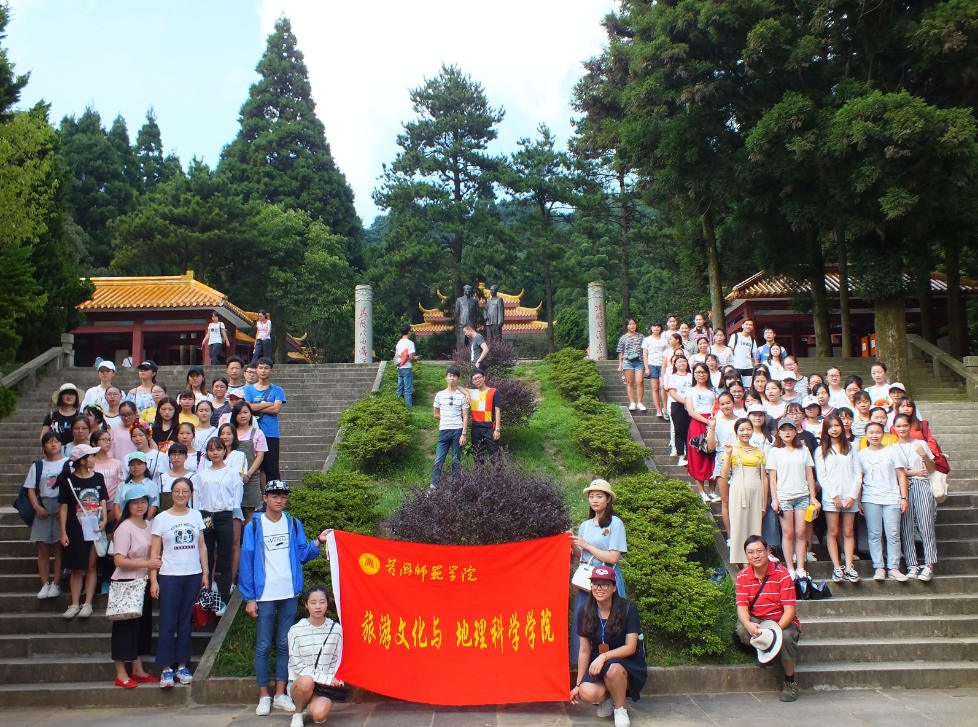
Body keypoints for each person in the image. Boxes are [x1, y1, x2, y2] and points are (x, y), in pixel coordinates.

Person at [240, 480, 329, 717]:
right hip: (264, 595)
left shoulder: (293, 523)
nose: (279, 500)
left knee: (284, 644)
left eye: (283, 496)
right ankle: (263, 696)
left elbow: (302, 554)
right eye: (274, 496)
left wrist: (318, 541)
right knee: (263, 645)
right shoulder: (254, 526)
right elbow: (246, 562)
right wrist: (249, 597)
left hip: (289, 592)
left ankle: (280, 694)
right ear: (265, 498)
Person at [570, 565, 646, 727]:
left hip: (626, 660)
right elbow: (584, 650)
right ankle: (609, 697)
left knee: (613, 669)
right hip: (599, 662)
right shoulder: (584, 611)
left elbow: (630, 647)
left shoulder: (628, 609)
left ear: (614, 588)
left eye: (605, 584)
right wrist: (578, 684)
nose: (599, 588)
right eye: (595, 583)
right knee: (586, 691)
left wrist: (604, 656)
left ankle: (620, 708)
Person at [151, 476, 208, 688]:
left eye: (185, 491)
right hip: (169, 576)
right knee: (167, 622)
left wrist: (205, 573)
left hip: (192, 575)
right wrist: (153, 580)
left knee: (185, 622)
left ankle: (182, 666)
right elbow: (154, 552)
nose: (181, 495)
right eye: (177, 491)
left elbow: (202, 546)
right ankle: (166, 668)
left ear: (191, 494)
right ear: (171, 493)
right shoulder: (161, 518)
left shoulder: (196, 515)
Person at [735, 535, 802, 702]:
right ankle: (766, 650)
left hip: (782, 621)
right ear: (746, 555)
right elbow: (742, 608)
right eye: (750, 552)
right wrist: (748, 624)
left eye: (759, 551)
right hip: (758, 620)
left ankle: (790, 681)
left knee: (786, 637)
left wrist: (774, 631)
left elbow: (789, 611)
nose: (755, 556)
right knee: (742, 630)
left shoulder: (783, 574)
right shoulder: (742, 577)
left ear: (767, 551)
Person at [570, 480, 628, 659]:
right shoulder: (585, 525)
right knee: (586, 621)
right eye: (592, 496)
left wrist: (587, 544)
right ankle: (585, 665)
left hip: (607, 578)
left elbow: (613, 557)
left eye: (599, 496)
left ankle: (612, 662)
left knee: (611, 619)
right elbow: (583, 557)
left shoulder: (615, 524)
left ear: (608, 499)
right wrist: (572, 544)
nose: (595, 500)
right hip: (588, 581)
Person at [110, 487, 161, 688]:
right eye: (135, 502)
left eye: (143, 501)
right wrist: (147, 564)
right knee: (124, 629)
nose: (140, 506)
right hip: (126, 583)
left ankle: (138, 670)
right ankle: (121, 673)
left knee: (141, 628)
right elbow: (119, 560)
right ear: (127, 506)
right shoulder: (124, 527)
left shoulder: (149, 525)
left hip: (144, 582)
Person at [57, 444, 107, 619]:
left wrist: (104, 520)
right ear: (83, 461)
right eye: (91, 456)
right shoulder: (68, 482)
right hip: (75, 528)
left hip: (95, 527)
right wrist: (63, 532)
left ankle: (88, 603)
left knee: (91, 566)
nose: (94, 459)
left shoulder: (98, 478)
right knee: (77, 568)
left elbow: (102, 501)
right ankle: (74, 603)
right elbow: (63, 509)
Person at [855, 422, 910, 581]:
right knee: (874, 534)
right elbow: (859, 478)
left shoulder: (892, 450)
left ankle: (894, 567)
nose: (874, 436)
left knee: (893, 533)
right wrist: (859, 500)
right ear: (866, 435)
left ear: (883, 434)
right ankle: (879, 567)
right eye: (871, 432)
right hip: (870, 497)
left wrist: (904, 497)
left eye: (878, 432)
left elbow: (901, 475)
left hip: (892, 496)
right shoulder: (860, 455)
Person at [193, 437, 244, 604]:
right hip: (206, 515)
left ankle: (224, 598)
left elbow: (237, 493)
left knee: (225, 556)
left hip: (225, 515)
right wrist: (198, 515)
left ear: (224, 451)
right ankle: (207, 593)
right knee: (207, 555)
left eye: (218, 449)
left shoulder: (232, 473)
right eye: (211, 450)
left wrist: (232, 510)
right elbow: (197, 496)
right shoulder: (201, 474)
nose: (215, 452)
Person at [767, 418, 818, 580]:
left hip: (802, 495)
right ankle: (790, 568)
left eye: (790, 429)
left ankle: (800, 567)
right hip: (784, 497)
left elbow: (809, 475)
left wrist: (813, 497)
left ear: (796, 431)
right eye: (783, 429)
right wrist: (775, 499)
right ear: (779, 432)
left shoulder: (803, 449)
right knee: (788, 533)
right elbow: (772, 478)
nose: (787, 432)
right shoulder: (774, 451)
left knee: (801, 532)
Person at [287, 584, 345, 727]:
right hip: (300, 683)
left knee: (319, 716)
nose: (318, 606)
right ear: (306, 605)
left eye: (322, 602)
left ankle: (315, 705)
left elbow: (337, 660)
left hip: (323, 686)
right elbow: (296, 665)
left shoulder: (336, 630)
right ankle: (298, 713)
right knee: (307, 681)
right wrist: (326, 679)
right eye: (313, 602)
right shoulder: (295, 631)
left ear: (327, 604)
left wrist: (335, 679)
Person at [892, 414, 937, 581]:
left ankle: (929, 564)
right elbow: (895, 472)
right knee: (906, 526)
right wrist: (912, 472)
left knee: (926, 524)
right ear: (894, 428)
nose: (902, 429)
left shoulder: (921, 443)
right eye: (898, 426)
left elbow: (932, 468)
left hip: (922, 485)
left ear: (910, 426)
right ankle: (912, 564)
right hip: (903, 488)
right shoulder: (892, 448)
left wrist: (924, 455)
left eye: (905, 425)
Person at [816, 415, 860, 583]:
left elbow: (858, 474)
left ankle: (849, 567)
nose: (834, 429)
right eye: (830, 426)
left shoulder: (851, 447)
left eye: (837, 425)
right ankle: (836, 567)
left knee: (848, 531)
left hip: (849, 496)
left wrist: (852, 495)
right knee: (833, 531)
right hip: (831, 497)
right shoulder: (821, 450)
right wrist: (834, 496)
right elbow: (822, 476)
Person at [720, 419, 768, 568]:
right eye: (741, 430)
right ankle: (742, 563)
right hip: (738, 490)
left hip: (756, 491)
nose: (745, 433)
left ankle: (754, 561)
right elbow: (724, 474)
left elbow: (764, 478)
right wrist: (728, 454)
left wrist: (764, 502)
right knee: (739, 524)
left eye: (748, 429)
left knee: (755, 526)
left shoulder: (759, 451)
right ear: (736, 432)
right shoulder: (732, 449)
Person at [27, 432, 67, 599]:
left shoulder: (67, 463)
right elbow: (30, 488)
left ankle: (56, 584)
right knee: (43, 548)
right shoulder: (38, 465)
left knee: (58, 548)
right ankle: (45, 584)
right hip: (43, 505)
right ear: (43, 446)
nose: (53, 444)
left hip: (60, 505)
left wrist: (64, 507)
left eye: (56, 441)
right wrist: (36, 507)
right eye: (49, 442)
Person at [245, 357, 287, 482]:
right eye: (261, 368)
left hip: (271, 433)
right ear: (257, 370)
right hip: (252, 433)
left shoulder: (277, 390)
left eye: (266, 368)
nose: (263, 371)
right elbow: (247, 407)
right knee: (253, 467)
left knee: (272, 468)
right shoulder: (248, 389)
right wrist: (267, 404)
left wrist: (255, 407)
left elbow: (276, 409)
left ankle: (274, 492)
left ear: (271, 371)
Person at [430, 367, 469, 487]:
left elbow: (465, 416)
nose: (452, 378)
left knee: (456, 460)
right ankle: (434, 486)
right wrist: (446, 418)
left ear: (458, 379)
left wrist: (464, 434)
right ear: (446, 377)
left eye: (455, 376)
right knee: (439, 459)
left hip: (458, 430)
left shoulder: (462, 396)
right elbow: (435, 414)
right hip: (444, 430)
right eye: (450, 376)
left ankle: (455, 486)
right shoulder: (440, 395)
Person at [685, 363, 717, 502]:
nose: (701, 374)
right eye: (698, 372)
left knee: (713, 456)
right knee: (697, 456)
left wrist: (712, 422)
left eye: (704, 372)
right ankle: (702, 491)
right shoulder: (690, 391)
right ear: (694, 374)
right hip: (698, 424)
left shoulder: (713, 390)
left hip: (713, 423)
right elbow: (691, 411)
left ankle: (712, 491)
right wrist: (706, 422)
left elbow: (717, 407)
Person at [233, 400, 267, 523]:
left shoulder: (257, 433)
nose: (242, 415)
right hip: (232, 477)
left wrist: (248, 474)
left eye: (245, 412)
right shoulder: (230, 432)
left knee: (249, 512)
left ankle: (248, 535)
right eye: (239, 413)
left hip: (251, 478)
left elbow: (260, 456)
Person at [114, 451, 161, 521]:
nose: (136, 467)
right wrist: (122, 523)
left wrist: (141, 523)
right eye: (132, 465)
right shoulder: (122, 485)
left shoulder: (152, 485)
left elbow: (153, 506)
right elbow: (117, 506)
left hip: (146, 524)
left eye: (139, 464)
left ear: (145, 465)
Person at [467, 369, 501, 463]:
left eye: (479, 377)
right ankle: (479, 472)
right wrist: (466, 393)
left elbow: (497, 411)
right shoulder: (471, 392)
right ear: (472, 382)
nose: (477, 380)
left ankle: (498, 472)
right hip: (475, 428)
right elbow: (457, 387)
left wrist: (497, 429)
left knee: (494, 456)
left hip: (489, 428)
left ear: (484, 378)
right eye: (475, 379)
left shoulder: (494, 391)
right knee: (477, 456)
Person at [664, 354, 693, 463]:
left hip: (692, 406)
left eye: (684, 361)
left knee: (690, 430)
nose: (682, 363)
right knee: (679, 431)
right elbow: (672, 392)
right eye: (679, 362)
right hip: (677, 405)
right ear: (675, 365)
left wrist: (689, 403)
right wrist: (685, 402)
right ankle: (681, 455)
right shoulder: (673, 377)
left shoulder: (692, 376)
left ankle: (691, 455)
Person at [616, 319, 646, 411]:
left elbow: (645, 349)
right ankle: (632, 402)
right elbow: (621, 352)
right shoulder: (623, 338)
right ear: (627, 326)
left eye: (633, 324)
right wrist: (620, 365)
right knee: (630, 382)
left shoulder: (641, 336)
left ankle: (640, 402)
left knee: (640, 381)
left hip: (639, 361)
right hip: (627, 361)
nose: (632, 326)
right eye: (630, 324)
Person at [91, 429, 125, 505]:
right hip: (94, 505)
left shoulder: (117, 463)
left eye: (109, 440)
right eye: (104, 440)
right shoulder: (90, 464)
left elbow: (121, 486)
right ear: (94, 443)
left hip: (114, 505)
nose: (108, 442)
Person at [642, 322, 667, 418]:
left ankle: (665, 408)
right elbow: (645, 355)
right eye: (654, 326)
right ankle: (658, 410)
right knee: (655, 387)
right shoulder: (647, 340)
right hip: (652, 364)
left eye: (658, 326)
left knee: (663, 387)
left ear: (661, 328)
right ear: (651, 328)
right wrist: (646, 367)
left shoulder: (665, 340)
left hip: (663, 364)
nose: (656, 328)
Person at [160, 443, 192, 512]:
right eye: (173, 454)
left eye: (180, 454)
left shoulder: (192, 477)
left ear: (186, 457)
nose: (176, 457)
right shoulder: (162, 477)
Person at [394, 323, 418, 408]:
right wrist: (415, 358)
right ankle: (409, 408)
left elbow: (396, 356)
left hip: (400, 367)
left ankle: (394, 405)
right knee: (408, 390)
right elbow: (410, 357)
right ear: (408, 331)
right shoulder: (410, 343)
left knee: (400, 388)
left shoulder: (399, 343)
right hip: (407, 367)